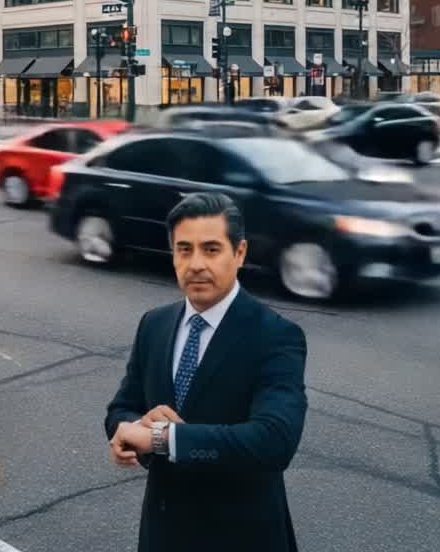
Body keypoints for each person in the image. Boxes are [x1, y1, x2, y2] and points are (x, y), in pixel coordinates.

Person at [105, 193, 309, 552]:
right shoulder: (154, 324)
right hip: (162, 533)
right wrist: (127, 427)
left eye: (211, 249)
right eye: (184, 250)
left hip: (241, 536)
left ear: (240, 253)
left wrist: (160, 439)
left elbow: (275, 441)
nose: (196, 264)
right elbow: (122, 408)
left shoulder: (276, 335)